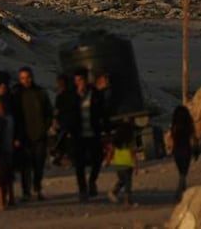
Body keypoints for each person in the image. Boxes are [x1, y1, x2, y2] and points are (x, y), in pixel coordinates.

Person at [60, 68, 109, 202]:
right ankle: (82, 190)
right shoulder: (71, 95)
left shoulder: (95, 94)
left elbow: (103, 111)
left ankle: (92, 180)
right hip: (78, 134)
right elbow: (67, 112)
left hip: (93, 132)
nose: (79, 83)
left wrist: (106, 128)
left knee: (97, 159)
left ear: (86, 80)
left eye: (81, 80)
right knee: (79, 163)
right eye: (76, 80)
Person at [15, 67, 53, 202]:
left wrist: (45, 127)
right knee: (25, 166)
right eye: (23, 78)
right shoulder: (16, 94)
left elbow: (49, 112)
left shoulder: (40, 93)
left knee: (39, 165)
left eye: (28, 77)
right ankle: (26, 192)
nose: (26, 81)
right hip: (23, 136)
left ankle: (37, 189)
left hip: (39, 135)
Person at [169, 105, 198, 201]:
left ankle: (183, 193)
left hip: (177, 152)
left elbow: (172, 139)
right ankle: (178, 193)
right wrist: (196, 151)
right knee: (183, 173)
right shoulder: (189, 125)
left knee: (181, 173)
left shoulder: (174, 126)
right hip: (186, 151)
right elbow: (194, 139)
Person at [106, 122, 136, 205]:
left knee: (122, 181)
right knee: (128, 183)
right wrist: (136, 165)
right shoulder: (129, 141)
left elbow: (110, 152)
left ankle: (114, 191)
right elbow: (133, 153)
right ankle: (127, 199)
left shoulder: (116, 142)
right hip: (127, 164)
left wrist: (108, 161)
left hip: (118, 164)